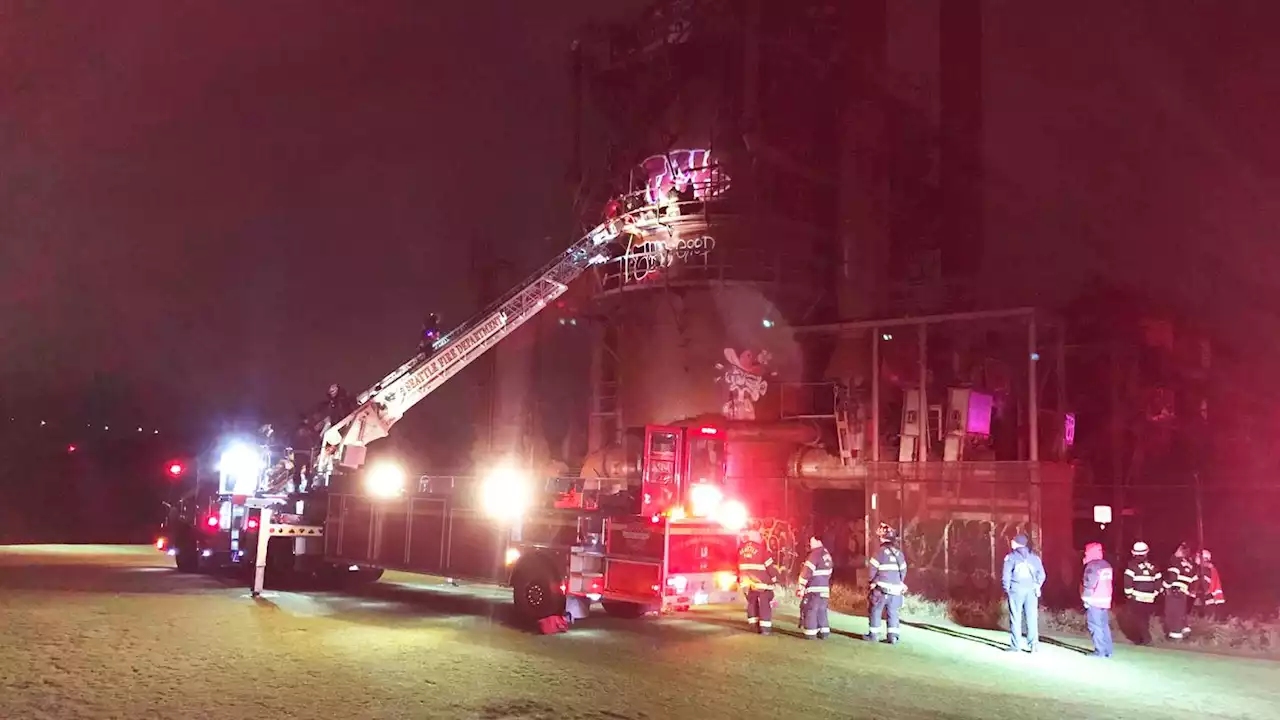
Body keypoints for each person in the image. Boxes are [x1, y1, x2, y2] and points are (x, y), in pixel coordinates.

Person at [863, 523, 908, 645]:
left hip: (881, 589)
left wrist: (872, 582)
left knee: (875, 610)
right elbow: (903, 570)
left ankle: (874, 634)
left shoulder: (879, 552)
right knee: (893, 612)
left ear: (883, 538)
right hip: (895, 590)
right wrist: (899, 582)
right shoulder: (899, 554)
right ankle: (893, 637)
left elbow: (872, 569)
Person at [1001, 533, 1046, 652]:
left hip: (1016, 589)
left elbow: (1006, 575)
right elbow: (1042, 574)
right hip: (1031, 590)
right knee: (1031, 617)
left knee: (1015, 617)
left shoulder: (1011, 557)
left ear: (1017, 543)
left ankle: (1016, 646)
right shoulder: (1034, 558)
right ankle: (1033, 644)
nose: (1011, 542)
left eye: (1013, 541)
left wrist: (1007, 589)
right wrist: (1037, 585)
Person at [736, 529, 781, 635]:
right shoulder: (761, 549)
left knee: (751, 603)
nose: (761, 539)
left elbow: (738, 565)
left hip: (747, 582)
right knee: (764, 604)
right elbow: (769, 567)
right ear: (756, 538)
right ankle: (765, 629)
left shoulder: (741, 549)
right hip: (761, 582)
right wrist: (775, 579)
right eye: (760, 537)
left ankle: (753, 625)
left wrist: (740, 579)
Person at [1122, 541, 1161, 645]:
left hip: (1137, 596)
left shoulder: (1132, 565)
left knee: (1139, 619)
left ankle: (1145, 639)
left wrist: (1128, 593)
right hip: (1150, 597)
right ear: (1146, 552)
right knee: (1145, 618)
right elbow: (1158, 580)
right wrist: (1156, 592)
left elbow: (1128, 580)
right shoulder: (1153, 565)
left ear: (1133, 553)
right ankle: (1143, 638)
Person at [796, 534, 833, 640]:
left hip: (814, 589)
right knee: (822, 611)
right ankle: (824, 632)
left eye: (812, 541)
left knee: (810, 610)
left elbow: (807, 570)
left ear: (818, 541)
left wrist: (801, 586)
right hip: (824, 589)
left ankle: (810, 633)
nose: (810, 544)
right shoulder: (827, 554)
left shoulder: (815, 554)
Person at [1081, 542, 1114, 658]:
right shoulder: (1106, 564)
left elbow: (1089, 583)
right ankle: (1108, 650)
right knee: (1104, 625)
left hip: (1095, 600)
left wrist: (1086, 599)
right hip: (1105, 600)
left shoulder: (1092, 566)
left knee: (1094, 626)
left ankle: (1099, 651)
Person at [1162, 542, 1198, 639]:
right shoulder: (1190, 564)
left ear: (1181, 551)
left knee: (1171, 613)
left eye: (1177, 550)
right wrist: (1191, 591)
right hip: (1183, 592)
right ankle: (1184, 628)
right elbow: (1194, 579)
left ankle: (1175, 635)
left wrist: (1165, 586)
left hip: (1174, 591)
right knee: (1180, 612)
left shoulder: (1175, 561)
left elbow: (1173, 575)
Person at [1196, 549, 1226, 620]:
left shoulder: (1206, 570)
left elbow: (1204, 584)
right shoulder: (1204, 569)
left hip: (1209, 597)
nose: (1196, 558)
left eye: (1199, 557)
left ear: (1204, 558)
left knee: (1209, 615)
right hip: (1206, 597)